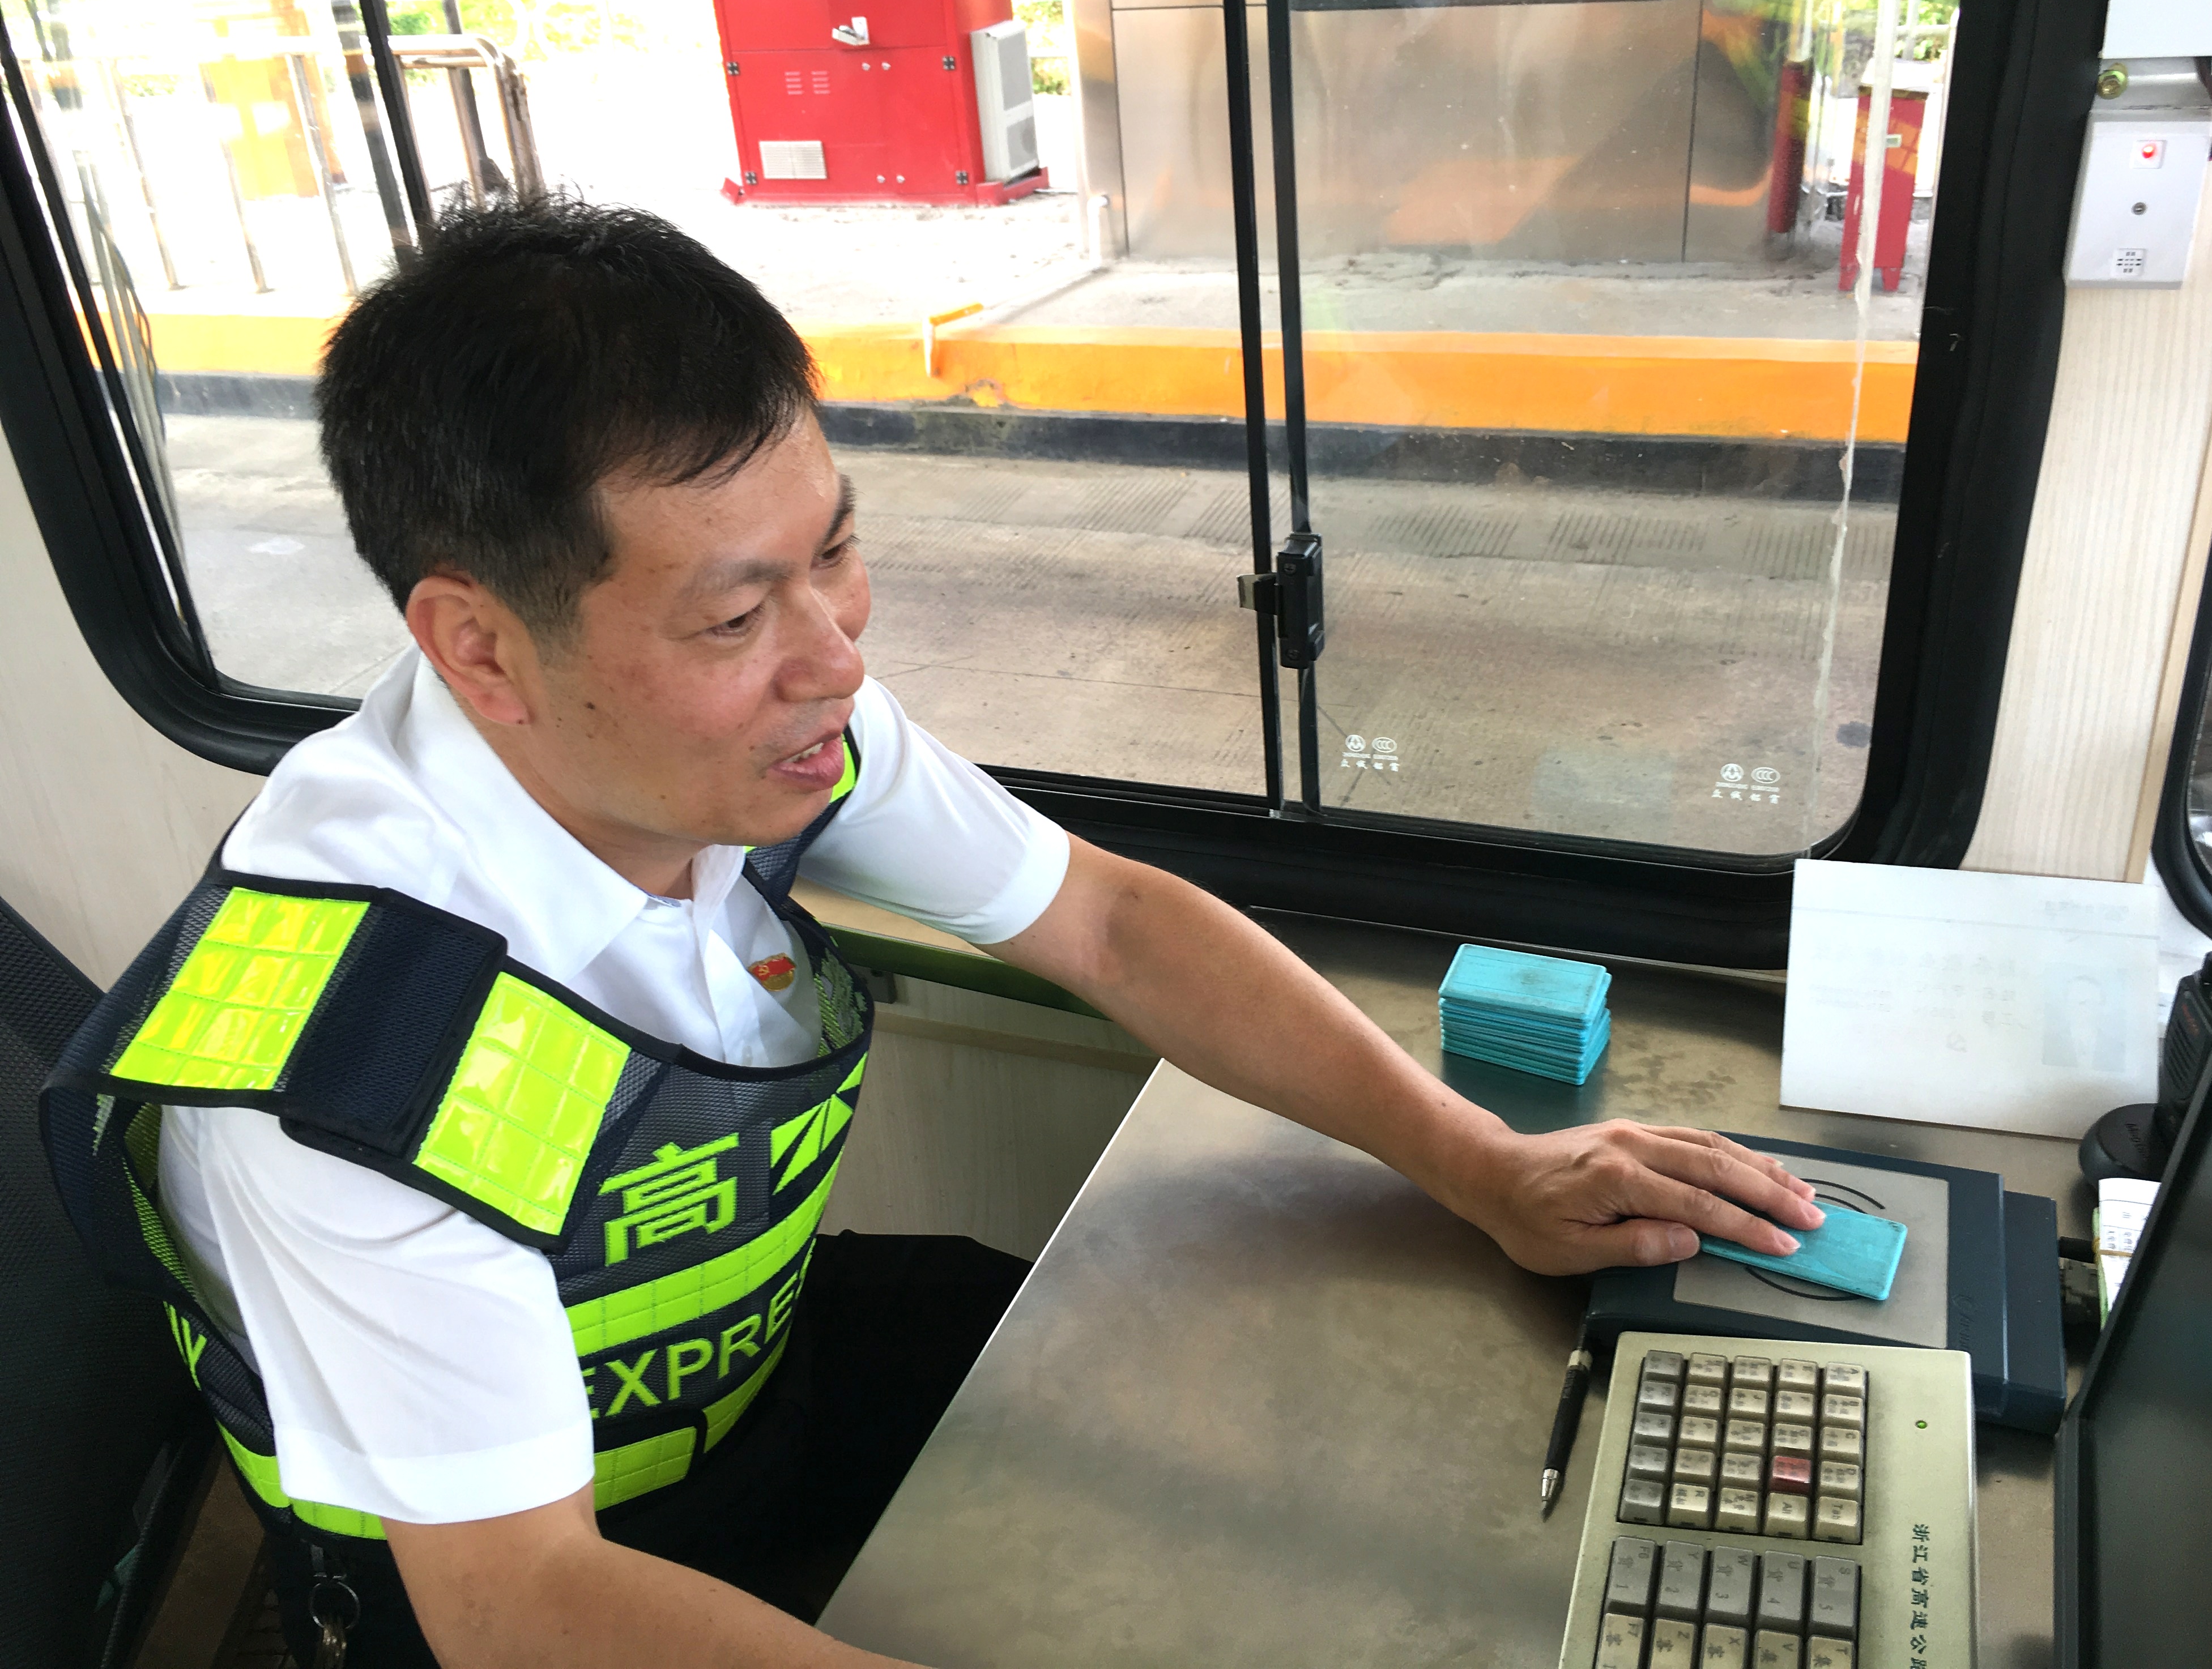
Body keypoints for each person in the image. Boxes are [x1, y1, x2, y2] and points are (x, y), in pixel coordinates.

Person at [46, 198, 1818, 1669]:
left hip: (758, 1381)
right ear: (480, 648)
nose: (836, 656)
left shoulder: (748, 733)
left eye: (834, 550)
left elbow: (1111, 923)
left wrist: (1483, 1162)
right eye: (737, 613)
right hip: (521, 1572)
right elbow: (523, 1605)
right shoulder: (346, 1066)